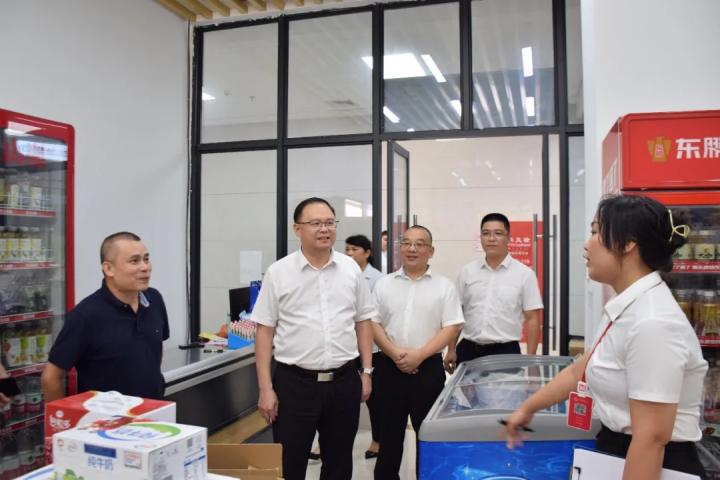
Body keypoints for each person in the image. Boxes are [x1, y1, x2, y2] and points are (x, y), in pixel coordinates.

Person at [504, 195, 708, 480]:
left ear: (627, 244)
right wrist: (528, 408)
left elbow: (650, 440)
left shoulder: (653, 323)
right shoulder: (625, 305)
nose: (586, 244)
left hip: (652, 462)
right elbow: (580, 369)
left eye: (596, 231)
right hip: (618, 450)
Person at [253, 197, 376, 480]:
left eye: (330, 222)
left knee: (339, 466)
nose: (324, 229)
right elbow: (264, 331)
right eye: (316, 223)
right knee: (290, 465)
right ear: (297, 229)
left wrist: (367, 372)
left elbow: (363, 320)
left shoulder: (350, 269)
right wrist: (265, 389)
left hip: (343, 381)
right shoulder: (279, 272)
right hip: (295, 384)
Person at [371, 225, 464, 479]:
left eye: (420, 244)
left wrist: (420, 355)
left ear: (431, 251)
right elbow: (372, 323)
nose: (412, 249)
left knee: (428, 436)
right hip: (388, 368)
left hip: (428, 370)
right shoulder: (383, 284)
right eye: (406, 243)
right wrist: (394, 353)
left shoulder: (444, 286)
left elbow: (451, 326)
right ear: (400, 248)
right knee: (388, 438)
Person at [41, 232, 169, 401]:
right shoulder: (85, 316)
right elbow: (51, 378)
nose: (145, 267)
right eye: (134, 261)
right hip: (106, 416)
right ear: (109, 269)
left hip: (154, 409)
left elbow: (154, 351)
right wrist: (62, 416)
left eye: (146, 259)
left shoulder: (154, 300)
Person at [309, 234, 385, 461]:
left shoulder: (378, 279)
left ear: (367, 253)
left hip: (371, 348)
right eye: (348, 249)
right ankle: (323, 444)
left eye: (355, 249)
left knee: (373, 399)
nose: (350, 253)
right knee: (329, 405)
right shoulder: (336, 273)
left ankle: (377, 439)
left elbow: (370, 317)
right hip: (342, 347)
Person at [445, 213, 543, 373]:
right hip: (468, 350)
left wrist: (532, 361)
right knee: (465, 391)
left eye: (498, 233)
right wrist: (451, 349)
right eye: (486, 233)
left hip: (506, 353)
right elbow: (457, 315)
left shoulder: (524, 274)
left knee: (505, 390)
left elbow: (532, 318)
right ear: (481, 238)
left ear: (508, 238)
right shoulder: (467, 272)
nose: (491, 238)